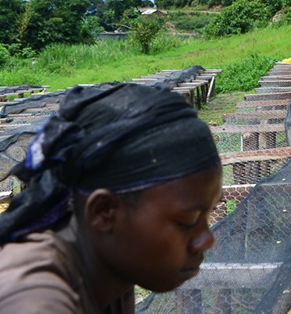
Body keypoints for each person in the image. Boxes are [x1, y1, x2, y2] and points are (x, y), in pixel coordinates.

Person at [0, 83, 222, 313]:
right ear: (104, 212)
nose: (207, 240)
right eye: (187, 221)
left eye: (209, 212)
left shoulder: (110, 271)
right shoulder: (35, 302)